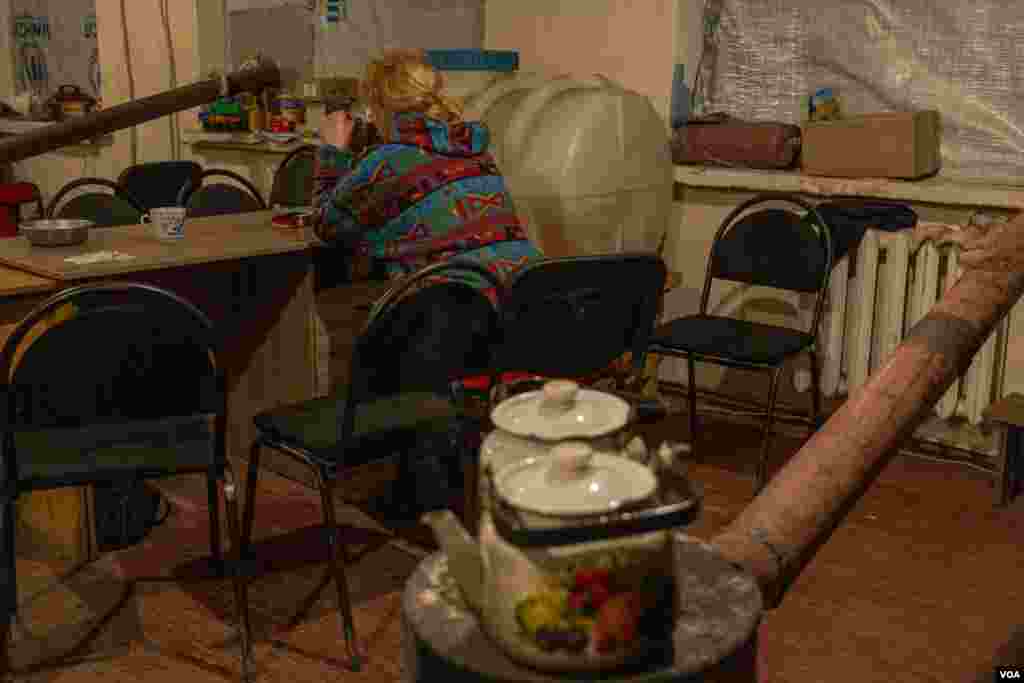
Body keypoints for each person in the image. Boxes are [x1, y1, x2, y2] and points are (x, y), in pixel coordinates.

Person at [312, 49, 542, 304]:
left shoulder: (388, 161)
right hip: (523, 302)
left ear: (378, 107)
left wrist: (332, 150)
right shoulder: (473, 149)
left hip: (456, 315)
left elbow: (328, 227)